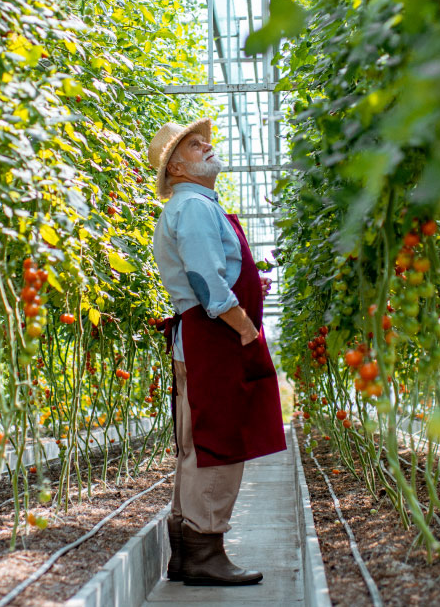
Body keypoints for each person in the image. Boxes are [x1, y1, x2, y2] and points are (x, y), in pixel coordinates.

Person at [147, 118, 286, 587]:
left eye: (205, 141)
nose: (207, 147)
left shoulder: (193, 207)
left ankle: (187, 553)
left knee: (196, 445)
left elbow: (207, 272)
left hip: (201, 339)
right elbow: (208, 282)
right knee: (219, 446)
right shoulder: (195, 209)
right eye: (193, 145)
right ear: (177, 169)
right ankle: (206, 550)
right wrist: (244, 326)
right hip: (216, 338)